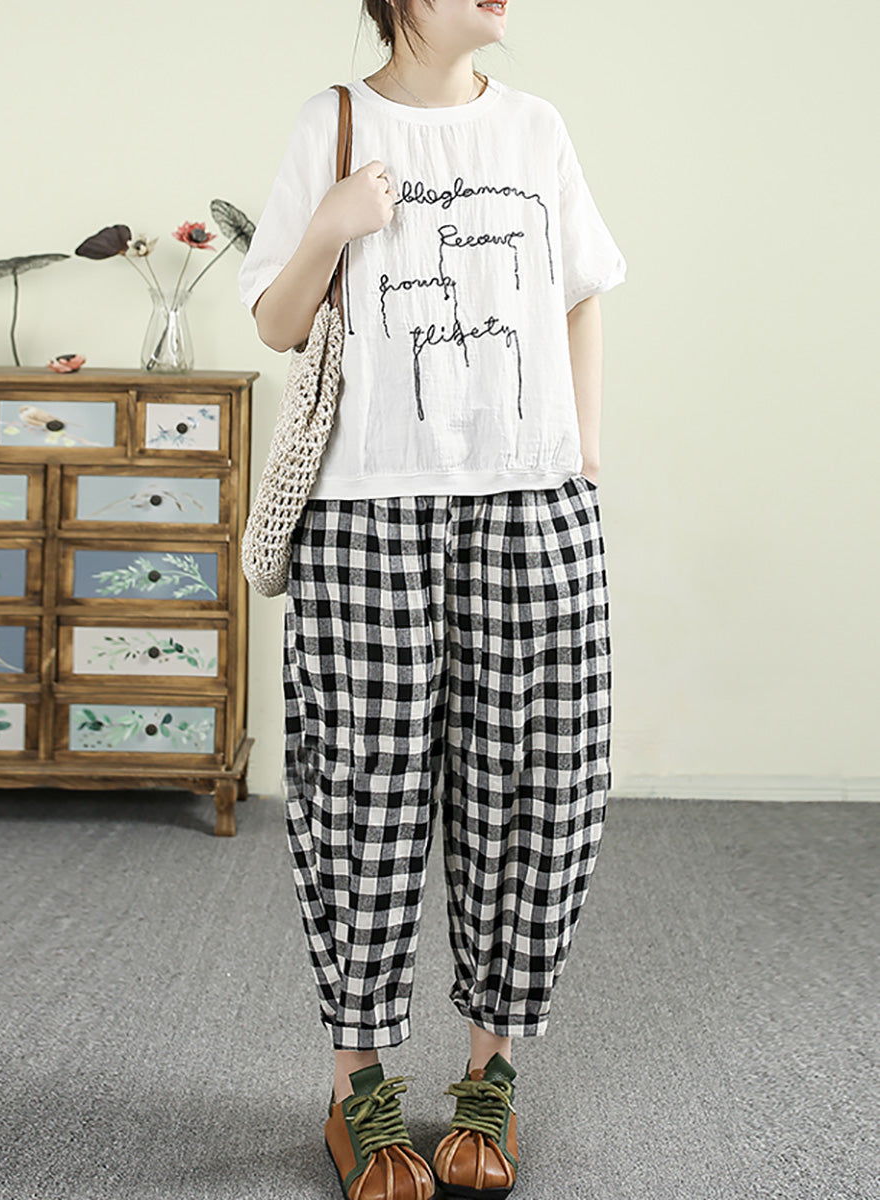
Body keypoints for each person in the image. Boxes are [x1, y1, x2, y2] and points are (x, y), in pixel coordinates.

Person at [238, 2, 627, 1196]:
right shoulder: (332, 121)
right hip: (368, 514)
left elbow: (582, 290)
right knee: (362, 795)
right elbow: (277, 323)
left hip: (531, 507)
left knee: (536, 787)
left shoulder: (537, 128)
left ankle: (489, 1078)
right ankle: (358, 1088)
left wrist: (583, 454)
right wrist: (331, 225)